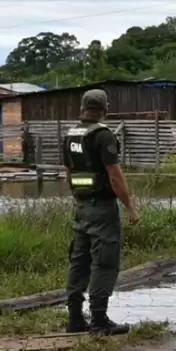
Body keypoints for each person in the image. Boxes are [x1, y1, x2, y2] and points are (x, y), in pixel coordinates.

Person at [62, 89, 138, 335]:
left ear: (82, 108)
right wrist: (130, 208)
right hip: (103, 209)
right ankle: (98, 321)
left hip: (82, 207)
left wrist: (78, 199)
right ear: (105, 109)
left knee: (79, 262)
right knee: (104, 262)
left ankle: (75, 319)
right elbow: (115, 177)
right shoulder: (103, 135)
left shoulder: (71, 134)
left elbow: (69, 174)